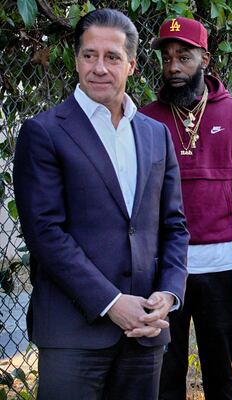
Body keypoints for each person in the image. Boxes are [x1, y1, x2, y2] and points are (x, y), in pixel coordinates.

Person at [12, 9, 189, 400]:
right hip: (74, 333)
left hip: (146, 329)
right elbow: (45, 234)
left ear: (132, 64)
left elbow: (174, 225)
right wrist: (110, 303)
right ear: (76, 60)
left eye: (112, 57)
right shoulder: (43, 133)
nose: (99, 68)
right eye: (89, 55)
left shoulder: (155, 134)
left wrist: (169, 294)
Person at [140, 17, 232, 400]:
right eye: (167, 58)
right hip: (162, 269)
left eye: (184, 56)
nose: (174, 67)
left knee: (220, 371)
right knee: (165, 372)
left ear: (205, 58)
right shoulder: (146, 118)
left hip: (218, 266)